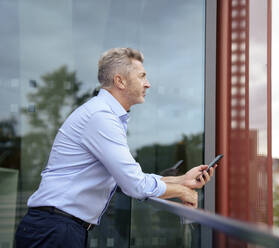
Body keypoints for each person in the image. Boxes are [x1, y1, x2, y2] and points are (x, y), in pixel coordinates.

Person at [15, 48, 216, 248]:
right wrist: (181, 191)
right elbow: (134, 184)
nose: (148, 83)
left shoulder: (104, 115)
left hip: (59, 228)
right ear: (120, 81)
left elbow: (130, 177)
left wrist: (183, 179)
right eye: (142, 76)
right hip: (55, 231)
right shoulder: (101, 117)